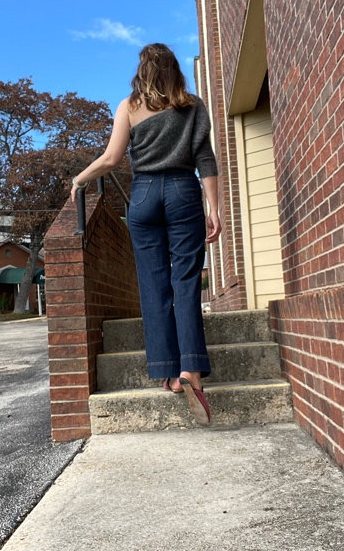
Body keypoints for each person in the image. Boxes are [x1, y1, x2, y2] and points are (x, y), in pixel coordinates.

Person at [71, 43, 221, 425]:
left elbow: (111, 159)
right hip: (183, 192)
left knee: (154, 286)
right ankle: (193, 372)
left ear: (143, 71)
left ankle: (169, 372)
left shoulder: (129, 107)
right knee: (185, 281)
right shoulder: (192, 105)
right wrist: (213, 209)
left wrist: (80, 179)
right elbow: (205, 160)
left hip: (143, 196)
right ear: (174, 71)